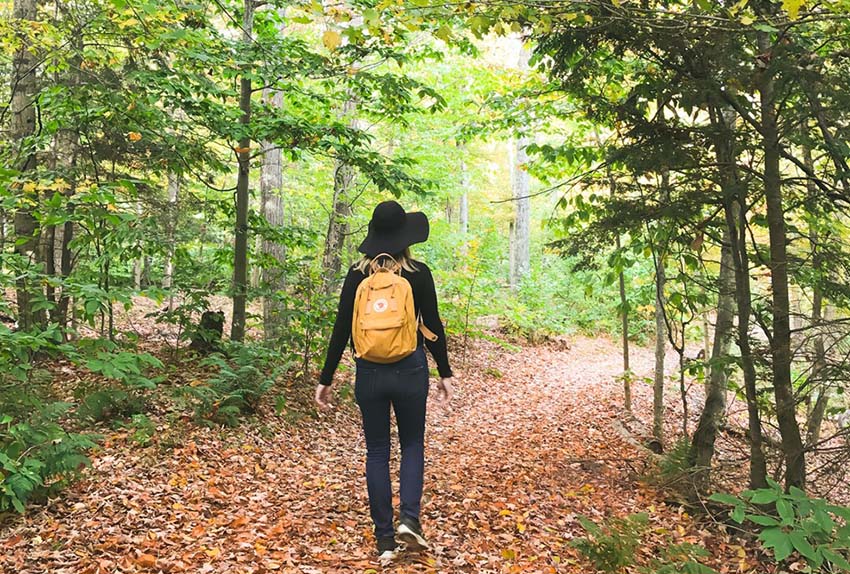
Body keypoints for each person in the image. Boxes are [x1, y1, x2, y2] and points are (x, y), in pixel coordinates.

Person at [315, 200, 454, 562]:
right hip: (410, 369)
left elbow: (342, 327)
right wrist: (444, 371)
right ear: (406, 237)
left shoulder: (356, 275)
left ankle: (385, 541)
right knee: (411, 445)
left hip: (369, 372)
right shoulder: (419, 273)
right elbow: (433, 326)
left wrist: (326, 377)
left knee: (376, 451)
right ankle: (409, 517)